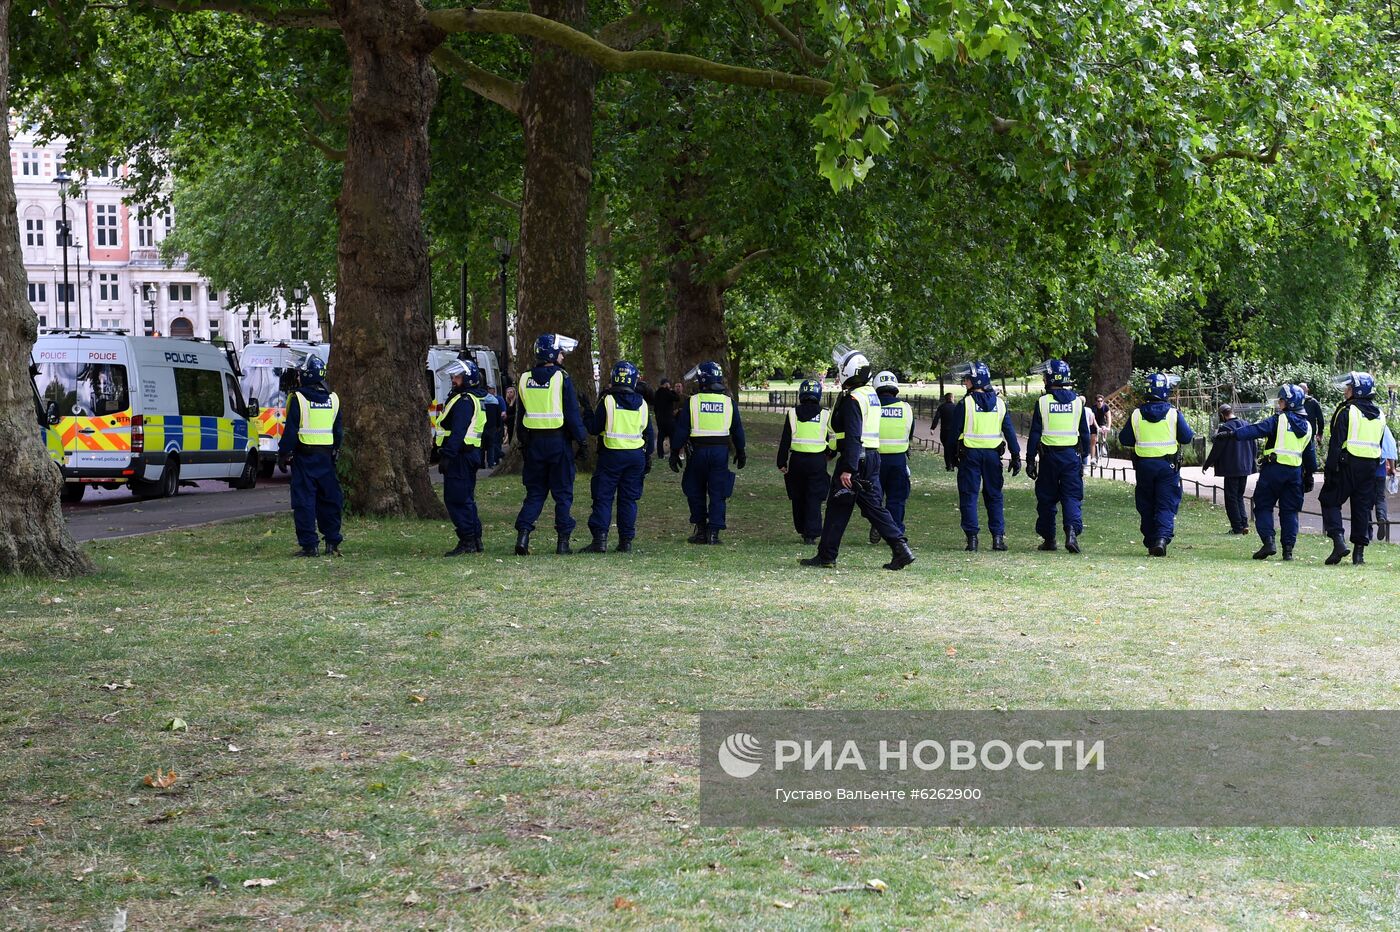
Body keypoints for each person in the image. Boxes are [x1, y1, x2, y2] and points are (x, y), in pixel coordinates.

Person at [800, 345, 915, 570]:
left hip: (856, 460)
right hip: (870, 457)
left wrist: (848, 468)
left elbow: (853, 434)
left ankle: (827, 556)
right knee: (864, 507)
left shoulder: (853, 398)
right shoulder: (869, 394)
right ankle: (900, 548)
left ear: (849, 371)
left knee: (841, 506)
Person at [1215, 385, 1316, 561]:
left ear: (1289, 403)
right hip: (1295, 474)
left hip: (1273, 471)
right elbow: (1310, 456)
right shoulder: (1308, 426)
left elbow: (1255, 430)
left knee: (1262, 506)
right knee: (1290, 511)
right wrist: (1309, 476)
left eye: (1282, 400)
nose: (1279, 403)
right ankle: (1288, 551)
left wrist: (1231, 434)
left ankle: (1269, 542)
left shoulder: (1279, 420)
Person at [512, 334, 589, 555]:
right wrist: (582, 442)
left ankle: (523, 536)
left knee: (535, 493)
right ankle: (563, 542)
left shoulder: (524, 378)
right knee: (563, 493)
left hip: (534, 443)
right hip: (558, 443)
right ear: (552, 354)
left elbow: (520, 415)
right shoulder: (561, 377)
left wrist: (524, 443)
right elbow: (572, 415)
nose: (563, 356)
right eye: (561, 352)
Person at [1117, 372, 1194, 557]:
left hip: (1144, 467)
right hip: (1167, 467)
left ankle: (1151, 539)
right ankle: (1161, 538)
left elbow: (1124, 439)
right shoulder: (1173, 414)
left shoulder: (1136, 414)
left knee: (1146, 504)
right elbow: (1187, 437)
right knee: (1165, 504)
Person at [948, 361, 1021, 552]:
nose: (965, 383)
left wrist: (949, 456)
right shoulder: (999, 404)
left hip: (969, 456)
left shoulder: (966, 404)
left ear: (975, 381)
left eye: (967, 380)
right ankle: (998, 539)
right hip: (992, 457)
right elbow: (1010, 432)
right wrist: (1015, 455)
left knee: (969, 496)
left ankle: (972, 540)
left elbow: (953, 433)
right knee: (994, 496)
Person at [582, 361, 654, 553]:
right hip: (635, 458)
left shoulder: (608, 401)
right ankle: (625, 542)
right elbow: (650, 434)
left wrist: (588, 411)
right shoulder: (643, 403)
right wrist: (648, 458)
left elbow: (594, 428)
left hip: (611, 456)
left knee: (603, 498)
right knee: (628, 500)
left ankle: (600, 541)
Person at [670, 361, 746, 545]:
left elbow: (682, 429)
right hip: (720, 452)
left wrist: (674, 452)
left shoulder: (693, 402)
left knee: (695, 490)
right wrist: (741, 450)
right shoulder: (729, 402)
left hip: (697, 452)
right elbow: (737, 429)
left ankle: (701, 530)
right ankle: (714, 532)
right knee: (717, 491)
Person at [277, 354, 343, 557]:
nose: (296, 378)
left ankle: (309, 545)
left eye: (298, 374)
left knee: (304, 502)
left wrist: (282, 453)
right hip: (326, 459)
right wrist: (335, 451)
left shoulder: (298, 399)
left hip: (304, 458)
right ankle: (332, 542)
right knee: (330, 501)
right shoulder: (333, 399)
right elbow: (338, 432)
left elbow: (291, 431)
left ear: (306, 375)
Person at [1025, 359, 1090, 553]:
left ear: (1051, 378)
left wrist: (1030, 459)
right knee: (1071, 497)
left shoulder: (1044, 402)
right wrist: (1084, 457)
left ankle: (1049, 539)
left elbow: (1035, 433)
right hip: (1071, 457)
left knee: (1046, 498)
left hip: (1049, 458)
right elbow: (1085, 433)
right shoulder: (1078, 402)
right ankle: (1071, 533)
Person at [1320, 371, 1385, 565]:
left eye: (1348, 388)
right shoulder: (1380, 414)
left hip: (1346, 464)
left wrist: (1329, 470)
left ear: (1356, 391)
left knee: (1329, 500)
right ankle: (1359, 556)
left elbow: (1335, 443)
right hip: (1370, 468)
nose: (1345, 391)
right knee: (1362, 509)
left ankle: (1339, 542)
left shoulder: (1347, 411)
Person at [437, 358, 487, 556]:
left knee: (456, 499)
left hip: (460, 456)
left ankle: (467, 540)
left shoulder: (465, 400)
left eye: (457, 376)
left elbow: (458, 432)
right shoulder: (468, 398)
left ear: (468, 379)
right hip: (466, 455)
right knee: (465, 498)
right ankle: (474, 539)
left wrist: (447, 456)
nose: (453, 379)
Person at [776, 379, 829, 545]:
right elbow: (830, 438)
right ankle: (811, 534)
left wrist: (781, 461)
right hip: (818, 461)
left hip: (797, 460)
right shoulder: (825, 414)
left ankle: (801, 528)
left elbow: (785, 439)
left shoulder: (792, 413)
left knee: (798, 496)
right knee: (814, 497)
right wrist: (831, 453)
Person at [871, 371, 915, 543]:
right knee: (897, 498)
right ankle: (895, 531)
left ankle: (878, 523)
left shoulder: (872, 407)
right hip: (898, 459)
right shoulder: (906, 408)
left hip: (875, 458)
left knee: (875, 497)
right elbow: (910, 432)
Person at [1201, 403, 1256, 535]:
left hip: (1231, 468)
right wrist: (1251, 461)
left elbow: (1217, 450)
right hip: (1245, 467)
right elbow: (1254, 445)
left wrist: (1207, 464)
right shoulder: (1246, 424)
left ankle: (1237, 527)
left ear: (1222, 415)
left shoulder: (1224, 428)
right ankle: (1244, 524)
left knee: (1231, 498)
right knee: (1239, 496)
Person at [1374, 424, 1396, 542]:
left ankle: (1366, 529)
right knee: (1380, 498)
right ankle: (1381, 518)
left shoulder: (1361, 423)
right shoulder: (1383, 426)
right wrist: (1392, 468)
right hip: (1380, 471)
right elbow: (1390, 448)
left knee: (1364, 499)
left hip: (1364, 470)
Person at [931, 392, 958, 471]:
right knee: (953, 448)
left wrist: (932, 428)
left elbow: (936, 418)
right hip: (954, 432)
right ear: (952, 398)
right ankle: (953, 463)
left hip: (944, 431)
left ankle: (948, 466)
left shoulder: (942, 407)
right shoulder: (956, 407)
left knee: (946, 448)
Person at [653, 378, 679, 459]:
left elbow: (655, 407)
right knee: (672, 436)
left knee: (660, 437)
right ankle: (673, 453)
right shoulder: (667, 392)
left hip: (660, 419)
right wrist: (673, 391)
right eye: (669, 384)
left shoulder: (657, 393)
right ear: (666, 384)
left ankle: (660, 455)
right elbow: (676, 398)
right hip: (669, 419)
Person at [480, 384, 503, 468]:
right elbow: (498, 415)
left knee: (481, 446)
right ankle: (490, 463)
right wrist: (498, 426)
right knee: (491, 446)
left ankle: (481, 464)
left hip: (482, 426)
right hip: (492, 427)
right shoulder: (494, 400)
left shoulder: (480, 400)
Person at [1091, 394, 1112, 461]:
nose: (1100, 402)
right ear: (1096, 402)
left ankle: (1103, 444)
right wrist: (1097, 427)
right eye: (1098, 401)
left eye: (1101, 401)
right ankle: (1093, 458)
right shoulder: (1093, 408)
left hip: (1102, 422)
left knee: (1104, 429)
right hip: (1094, 423)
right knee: (1093, 440)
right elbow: (1093, 419)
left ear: (1103, 401)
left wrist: (1108, 427)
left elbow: (1109, 417)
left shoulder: (1105, 407)